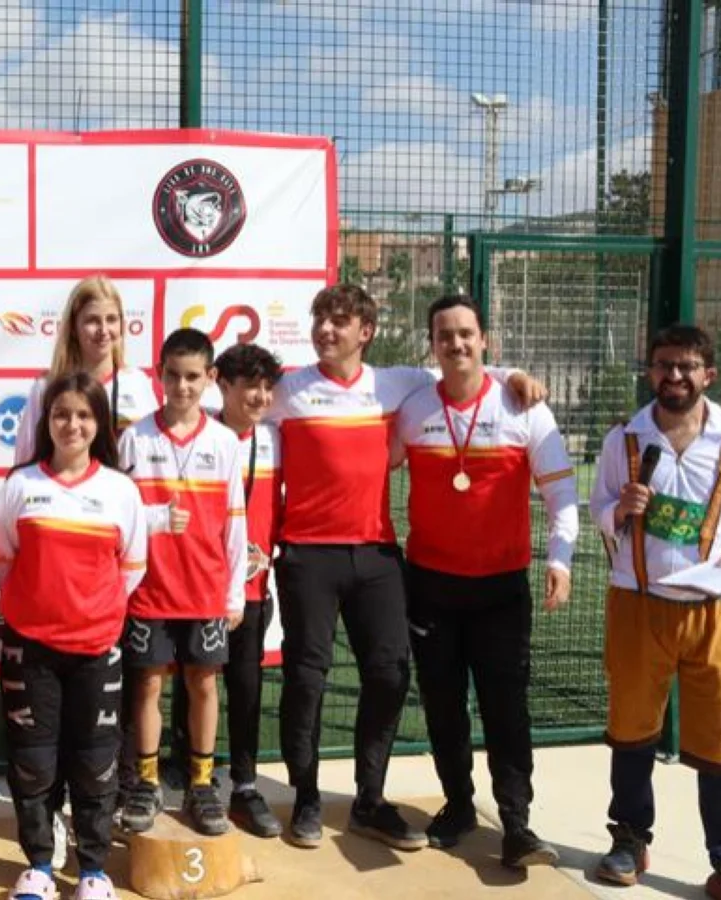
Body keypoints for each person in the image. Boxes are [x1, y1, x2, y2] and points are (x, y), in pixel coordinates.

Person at [271, 284, 541, 850]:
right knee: (306, 678)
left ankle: (369, 800)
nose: (325, 330)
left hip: (375, 553)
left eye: (339, 321)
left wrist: (516, 374)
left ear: (364, 332)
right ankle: (308, 799)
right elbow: (238, 407)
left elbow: (465, 370)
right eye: (320, 319)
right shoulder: (289, 389)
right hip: (308, 555)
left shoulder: (397, 384)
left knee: (391, 674)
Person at [588, 324, 721, 900]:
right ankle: (629, 838)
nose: (674, 377)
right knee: (631, 730)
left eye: (686, 367)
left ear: (707, 375)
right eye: (664, 366)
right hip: (640, 605)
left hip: (717, 609)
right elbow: (598, 508)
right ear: (650, 372)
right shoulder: (625, 439)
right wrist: (620, 510)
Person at [393, 296, 577, 868]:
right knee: (443, 705)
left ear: (485, 339)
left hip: (501, 588)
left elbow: (561, 493)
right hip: (431, 584)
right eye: (445, 335)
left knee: (505, 708)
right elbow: (374, 466)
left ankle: (517, 823)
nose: (457, 344)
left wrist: (561, 559)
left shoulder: (522, 406)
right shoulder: (414, 408)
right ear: (432, 345)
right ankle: (458, 805)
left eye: (467, 334)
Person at [0, 372, 147, 900]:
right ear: (46, 421)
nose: (72, 424)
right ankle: (37, 865)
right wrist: (39, 610)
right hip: (30, 649)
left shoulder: (120, 490)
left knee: (95, 761)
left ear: (99, 422)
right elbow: (2, 561)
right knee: (33, 762)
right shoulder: (20, 485)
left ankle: (94, 871)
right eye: (61, 414)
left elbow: (132, 569)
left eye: (83, 415)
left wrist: (90, 615)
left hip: (96, 651)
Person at [117, 327, 247, 837]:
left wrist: (233, 592)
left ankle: (200, 784)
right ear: (158, 375)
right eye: (173, 375)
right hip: (149, 591)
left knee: (203, 684)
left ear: (211, 378)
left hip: (205, 589)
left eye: (194, 377)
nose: (183, 386)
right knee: (148, 683)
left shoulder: (224, 442)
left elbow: (236, 523)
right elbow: (123, 516)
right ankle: (146, 783)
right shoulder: (135, 437)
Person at [168, 342, 286, 838]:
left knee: (244, 685)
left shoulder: (277, 439)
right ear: (223, 385)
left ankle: (242, 783)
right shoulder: (202, 436)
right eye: (248, 386)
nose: (259, 397)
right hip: (196, 585)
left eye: (266, 387)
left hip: (252, 589)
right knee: (188, 678)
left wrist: (270, 555)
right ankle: (184, 767)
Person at [11, 274, 160, 464]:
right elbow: (25, 463)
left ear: (122, 325)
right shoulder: (47, 387)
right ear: (73, 327)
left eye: (111, 319)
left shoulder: (137, 382)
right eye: (92, 320)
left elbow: (154, 459)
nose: (104, 330)